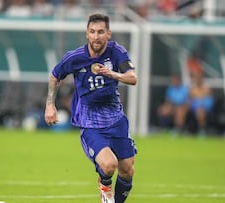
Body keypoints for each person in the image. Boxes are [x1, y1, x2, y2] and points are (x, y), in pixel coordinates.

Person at [44, 13, 137, 203]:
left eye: (101, 32)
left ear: (108, 34)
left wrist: (113, 74)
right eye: (92, 32)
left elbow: (132, 78)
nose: (96, 36)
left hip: (116, 120)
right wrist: (50, 105)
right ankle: (104, 184)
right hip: (90, 122)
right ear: (87, 34)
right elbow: (55, 76)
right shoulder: (75, 58)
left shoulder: (116, 52)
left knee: (127, 169)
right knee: (109, 165)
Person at [189, 72, 214, 136]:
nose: (197, 79)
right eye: (196, 78)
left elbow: (209, 100)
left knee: (200, 112)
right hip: (194, 108)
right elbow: (190, 99)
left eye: (199, 78)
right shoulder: (193, 88)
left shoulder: (207, 88)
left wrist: (200, 99)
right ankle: (179, 128)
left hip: (205, 108)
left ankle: (202, 129)